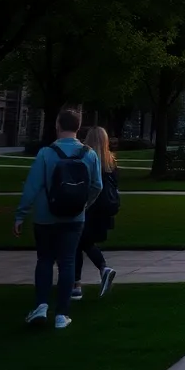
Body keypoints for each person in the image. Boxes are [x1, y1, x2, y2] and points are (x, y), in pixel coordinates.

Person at [14, 108, 102, 329]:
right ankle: (62, 314)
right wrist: (83, 205)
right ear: (78, 127)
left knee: (44, 259)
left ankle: (41, 306)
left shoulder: (46, 153)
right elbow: (97, 186)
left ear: (57, 125)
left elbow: (32, 187)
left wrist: (20, 214)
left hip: (45, 216)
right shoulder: (89, 154)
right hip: (74, 218)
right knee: (68, 262)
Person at [72, 126, 119, 300]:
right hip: (104, 211)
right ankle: (101, 270)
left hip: (89, 208)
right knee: (85, 243)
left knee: (78, 243)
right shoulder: (110, 161)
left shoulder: (87, 158)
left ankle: (77, 284)